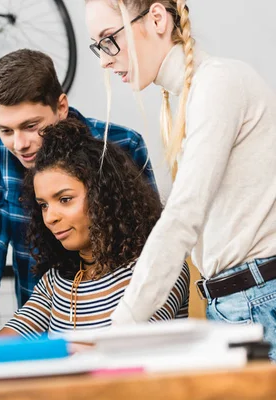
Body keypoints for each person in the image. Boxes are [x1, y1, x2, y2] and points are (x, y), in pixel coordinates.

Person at [85, 0, 276, 357]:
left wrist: (119, 328)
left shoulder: (218, 83)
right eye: (98, 46)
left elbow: (182, 217)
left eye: (109, 40)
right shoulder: (187, 98)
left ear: (157, 18)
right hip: (239, 302)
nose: (104, 60)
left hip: (259, 302)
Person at [0, 49, 158, 340]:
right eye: (6, 131)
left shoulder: (120, 144)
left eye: (31, 126)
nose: (19, 144)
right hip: (44, 320)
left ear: (61, 106)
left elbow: (153, 246)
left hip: (126, 321)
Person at [0, 119, 189, 339]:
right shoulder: (55, 283)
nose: (50, 217)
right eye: (43, 205)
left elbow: (131, 348)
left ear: (104, 197)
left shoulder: (158, 268)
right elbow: (0, 348)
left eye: (65, 199)